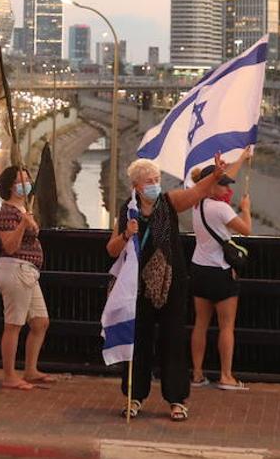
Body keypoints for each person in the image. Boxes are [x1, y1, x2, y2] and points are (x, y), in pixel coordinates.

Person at [105, 158, 191, 421]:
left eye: (157, 180)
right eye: (149, 181)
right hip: (137, 287)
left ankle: (176, 399)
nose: (155, 185)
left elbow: (197, 193)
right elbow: (111, 250)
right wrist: (126, 235)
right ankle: (134, 397)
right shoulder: (127, 211)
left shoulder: (168, 203)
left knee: (173, 340)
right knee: (138, 341)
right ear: (136, 186)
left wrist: (217, 174)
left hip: (170, 284)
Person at [186, 151, 253, 391]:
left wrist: (242, 157)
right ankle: (226, 376)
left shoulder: (196, 203)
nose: (227, 190)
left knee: (200, 324)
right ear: (212, 185)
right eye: (223, 185)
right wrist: (245, 208)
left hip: (199, 269)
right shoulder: (222, 210)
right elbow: (246, 230)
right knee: (226, 326)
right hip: (221, 272)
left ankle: (197, 374)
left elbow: (222, 178)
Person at [0, 164, 52, 390]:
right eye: (20, 181)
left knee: (40, 321)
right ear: (10, 186)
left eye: (27, 179)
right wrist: (23, 225)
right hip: (15, 269)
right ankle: (9, 375)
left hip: (29, 272)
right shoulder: (7, 213)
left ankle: (31, 369)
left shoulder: (22, 210)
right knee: (13, 325)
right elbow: (9, 245)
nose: (26, 184)